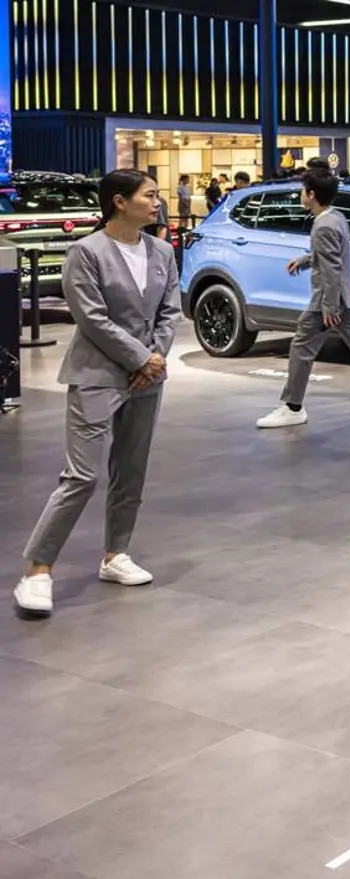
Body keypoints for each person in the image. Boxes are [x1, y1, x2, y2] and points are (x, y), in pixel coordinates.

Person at [12, 170, 181, 617]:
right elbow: (91, 317)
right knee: (81, 476)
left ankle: (115, 554)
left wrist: (155, 359)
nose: (157, 202)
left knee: (131, 470)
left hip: (147, 377)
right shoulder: (86, 252)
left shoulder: (162, 251)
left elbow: (170, 312)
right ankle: (37, 570)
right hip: (97, 374)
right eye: (149, 195)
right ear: (119, 201)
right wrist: (140, 358)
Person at [255, 169, 350, 429]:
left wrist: (329, 307)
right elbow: (331, 256)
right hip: (345, 297)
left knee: (301, 347)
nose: (300, 195)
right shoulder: (336, 217)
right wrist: (305, 260)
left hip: (328, 301)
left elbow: (331, 268)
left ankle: (292, 407)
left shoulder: (323, 225)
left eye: (303, 191)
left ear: (311, 195)